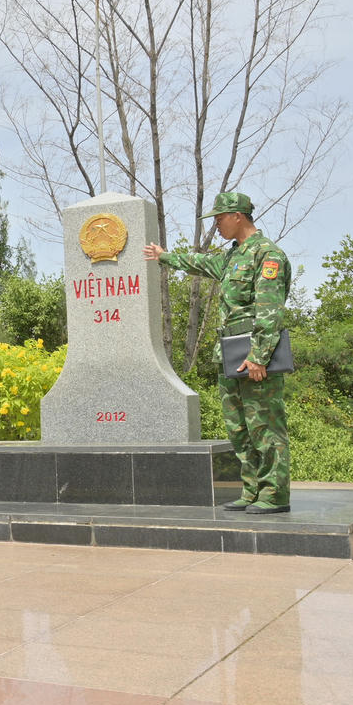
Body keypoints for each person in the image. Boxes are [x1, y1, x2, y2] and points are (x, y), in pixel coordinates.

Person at [144, 191, 293, 514]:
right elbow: (200, 263)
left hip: (254, 356)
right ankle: (252, 490)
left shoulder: (267, 255)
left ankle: (275, 494)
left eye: (219, 218)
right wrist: (163, 256)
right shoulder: (232, 257)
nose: (216, 224)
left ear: (238, 216)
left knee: (265, 426)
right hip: (229, 355)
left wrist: (259, 357)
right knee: (239, 427)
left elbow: (270, 312)